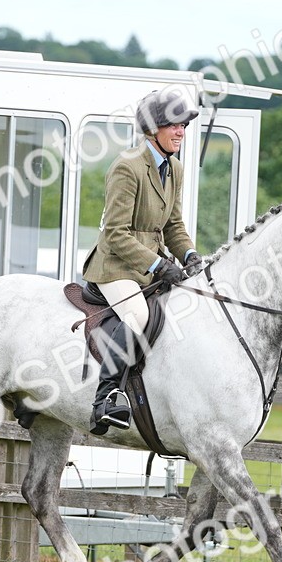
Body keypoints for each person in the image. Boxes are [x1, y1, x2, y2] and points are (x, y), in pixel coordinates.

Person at [81, 90, 204, 433]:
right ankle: (105, 398)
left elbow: (173, 225)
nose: (180, 132)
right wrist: (158, 265)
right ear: (152, 129)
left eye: (183, 126)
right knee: (138, 314)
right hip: (115, 265)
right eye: (174, 125)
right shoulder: (127, 166)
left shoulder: (174, 168)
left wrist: (190, 256)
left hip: (148, 265)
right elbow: (115, 234)